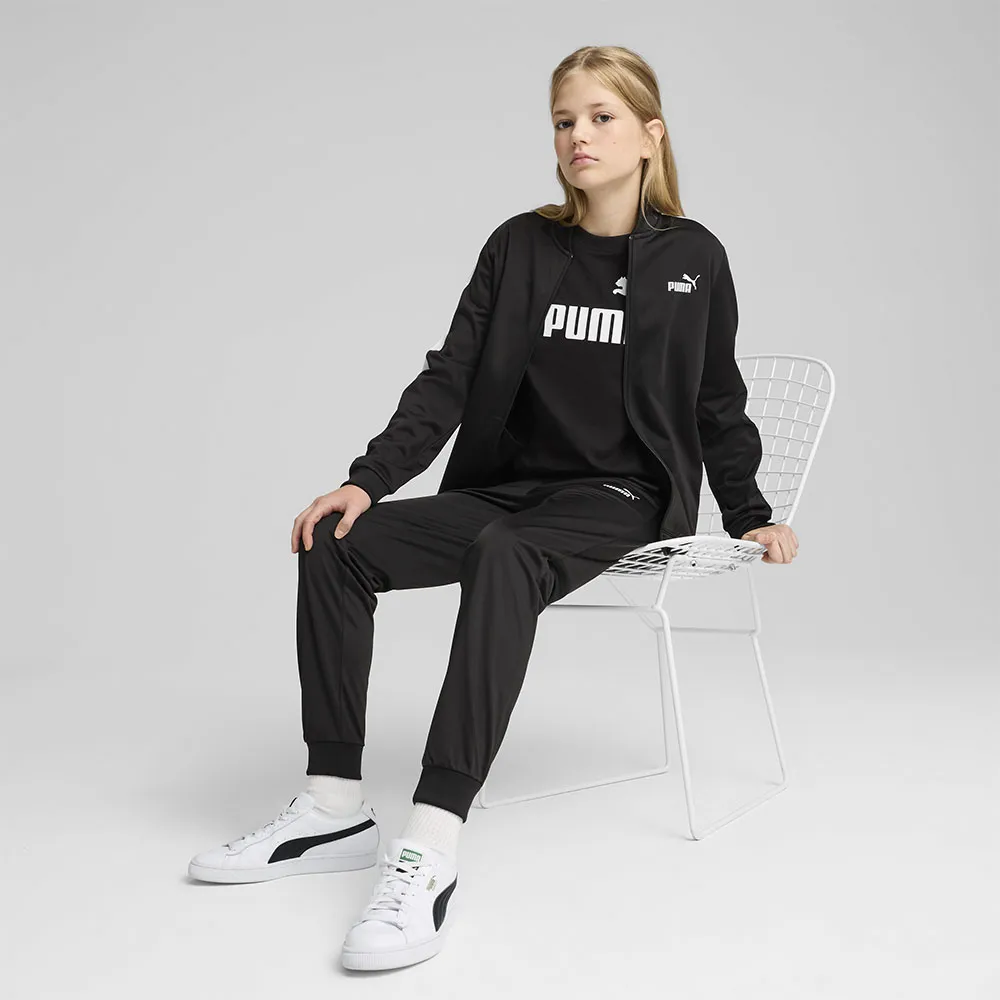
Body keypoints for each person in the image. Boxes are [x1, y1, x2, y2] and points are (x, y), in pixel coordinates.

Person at [188, 44, 800, 971]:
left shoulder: (693, 258)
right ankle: (331, 808)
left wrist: (750, 510)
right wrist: (367, 481)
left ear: (650, 135)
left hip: (624, 497)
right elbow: (452, 375)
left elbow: (716, 398)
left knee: (507, 552)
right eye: (564, 120)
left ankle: (431, 843)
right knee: (336, 541)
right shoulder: (520, 245)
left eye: (601, 117)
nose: (578, 136)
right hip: (512, 489)